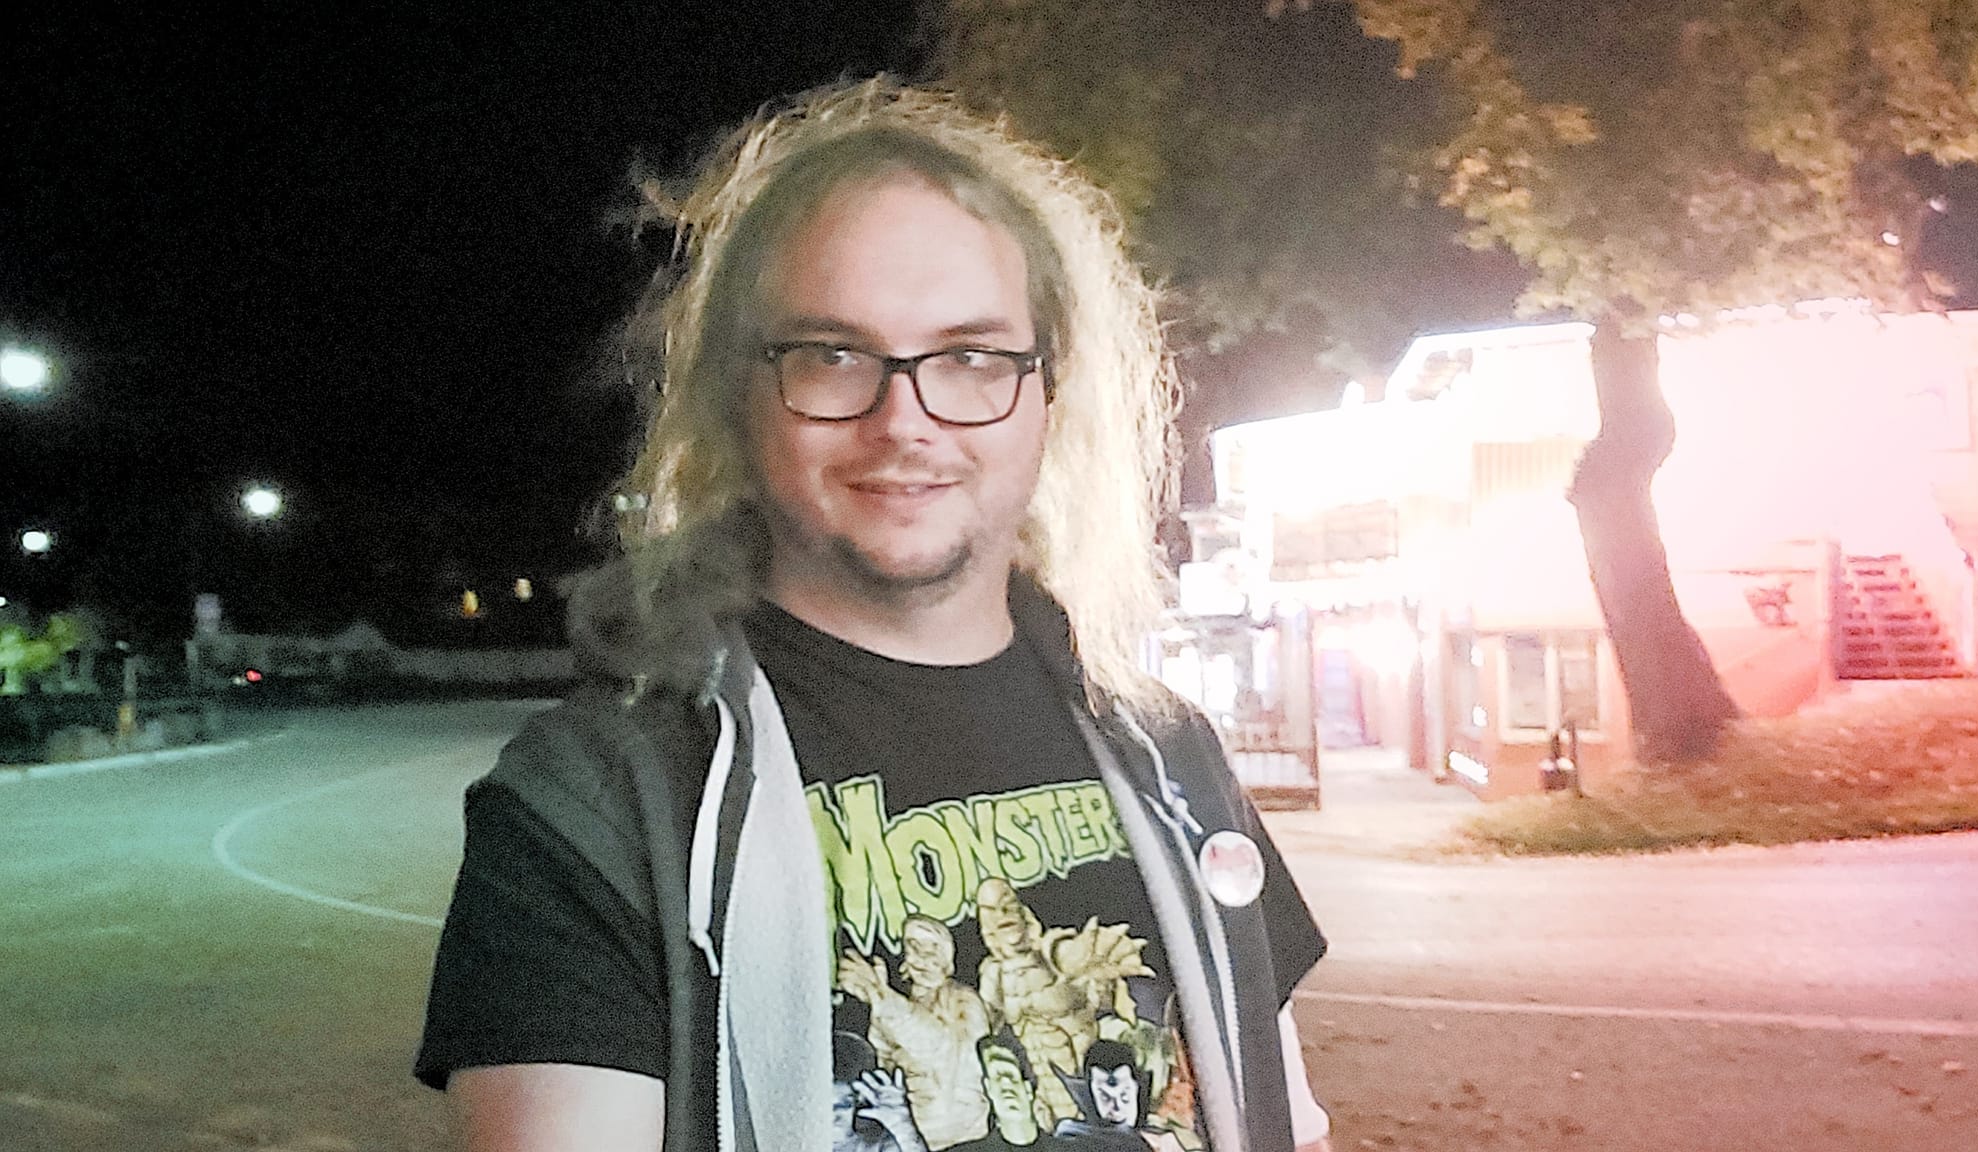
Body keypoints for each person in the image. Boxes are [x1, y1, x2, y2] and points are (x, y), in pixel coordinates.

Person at [413, 75, 1333, 1152]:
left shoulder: (1171, 755)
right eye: (834, 355)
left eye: (971, 357)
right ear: (735, 394)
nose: (905, 419)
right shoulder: (596, 806)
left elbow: (1286, 1120)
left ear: (1047, 393)